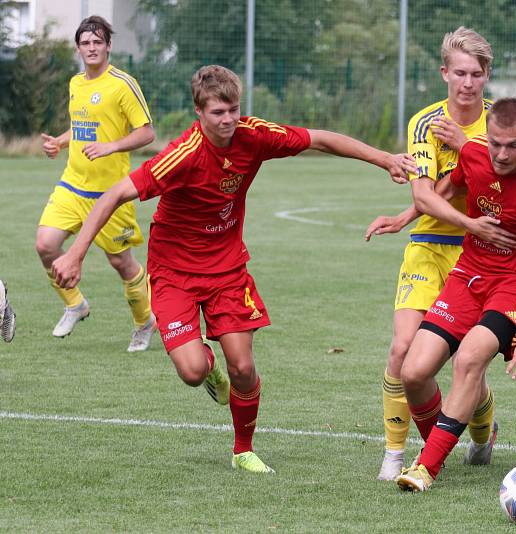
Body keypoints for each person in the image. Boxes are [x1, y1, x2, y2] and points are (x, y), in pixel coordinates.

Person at [52, 65, 415, 474]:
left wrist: (384, 158)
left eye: (234, 110)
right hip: (174, 272)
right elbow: (116, 193)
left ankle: (243, 450)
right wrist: (75, 254)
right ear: (199, 112)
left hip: (227, 269)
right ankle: (208, 369)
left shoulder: (252, 134)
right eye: (218, 113)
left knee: (243, 366)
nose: (228, 121)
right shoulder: (182, 156)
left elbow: (322, 138)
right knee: (192, 371)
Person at [393, 98, 516, 492]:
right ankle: (446, 442)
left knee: (472, 356)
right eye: (495, 142)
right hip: (470, 274)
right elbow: (449, 184)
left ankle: (426, 466)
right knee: (413, 372)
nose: (501, 154)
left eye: (512, 145)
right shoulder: (474, 152)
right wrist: (408, 215)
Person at [365, 27, 516, 481]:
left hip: (482, 256)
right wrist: (410, 215)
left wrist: (467, 147)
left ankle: (482, 431)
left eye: (476, 73)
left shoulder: (499, 125)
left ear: (486, 76)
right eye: (459, 73)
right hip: (431, 247)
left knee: (469, 363)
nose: (467, 83)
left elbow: (511, 179)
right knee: (403, 352)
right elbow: (431, 194)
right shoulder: (425, 123)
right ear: (444, 73)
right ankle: (396, 452)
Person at [37, 15, 156, 350]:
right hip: (73, 184)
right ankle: (75, 304)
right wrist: (61, 142)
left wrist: (112, 146)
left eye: (97, 42)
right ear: (78, 48)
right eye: (85, 43)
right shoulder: (76, 83)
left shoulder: (122, 83)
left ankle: (143, 322)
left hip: (111, 192)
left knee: (121, 262)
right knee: (45, 245)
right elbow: (84, 126)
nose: (91, 48)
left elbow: (147, 132)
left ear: (108, 46)